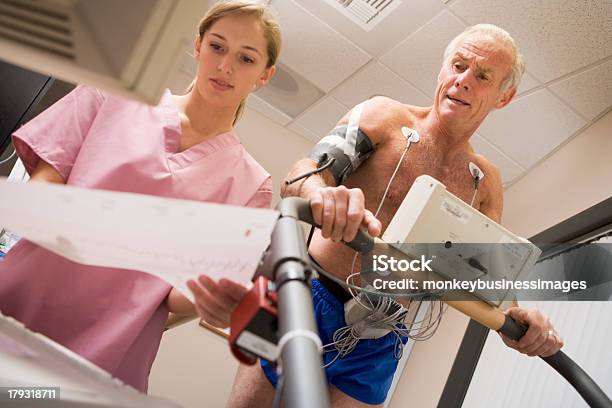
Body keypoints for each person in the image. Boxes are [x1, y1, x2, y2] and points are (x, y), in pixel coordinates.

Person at [228, 24, 564, 407]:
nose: (463, 80)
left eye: (482, 76)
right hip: (308, 295)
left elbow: (491, 286)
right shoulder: (384, 118)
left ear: (504, 97)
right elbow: (302, 176)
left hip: (379, 334)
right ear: (442, 71)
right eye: (457, 66)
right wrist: (322, 196)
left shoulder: (483, 183)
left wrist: (520, 320)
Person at [0, 0, 281, 393]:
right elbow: (43, 188)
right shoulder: (112, 95)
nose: (225, 66)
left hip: (107, 349)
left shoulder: (252, 184)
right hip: (21, 301)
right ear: (198, 46)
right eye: (217, 47)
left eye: (246, 58)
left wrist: (215, 299)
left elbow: (178, 296)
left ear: (264, 75)